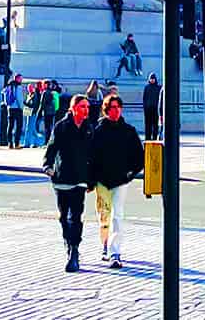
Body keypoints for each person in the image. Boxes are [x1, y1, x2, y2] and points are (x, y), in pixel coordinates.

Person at [87, 94, 143, 269]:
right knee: (104, 214)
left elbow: (139, 157)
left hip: (121, 180)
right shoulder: (98, 130)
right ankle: (105, 244)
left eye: (119, 107)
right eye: (113, 108)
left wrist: (130, 174)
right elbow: (90, 157)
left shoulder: (128, 131)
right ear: (106, 110)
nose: (116, 111)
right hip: (102, 180)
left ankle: (115, 251)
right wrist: (90, 180)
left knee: (117, 215)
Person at [43, 95, 93, 273]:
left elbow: (92, 156)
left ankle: (74, 251)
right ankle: (68, 243)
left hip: (79, 179)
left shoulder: (88, 128)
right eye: (82, 107)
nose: (86, 110)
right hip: (62, 178)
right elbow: (51, 148)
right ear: (73, 109)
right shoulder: (61, 127)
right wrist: (48, 167)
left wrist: (91, 179)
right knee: (64, 217)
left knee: (76, 217)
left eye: (87, 107)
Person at [3, 76, 25, 149]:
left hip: (10, 108)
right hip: (17, 109)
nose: (21, 80)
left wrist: (8, 105)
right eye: (21, 79)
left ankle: (10, 143)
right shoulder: (18, 87)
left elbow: (5, 98)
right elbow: (19, 98)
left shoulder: (8, 86)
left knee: (10, 126)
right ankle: (17, 143)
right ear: (17, 79)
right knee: (19, 126)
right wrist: (21, 107)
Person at [142, 75, 161, 142]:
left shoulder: (159, 88)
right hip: (148, 110)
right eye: (151, 79)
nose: (152, 80)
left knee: (155, 125)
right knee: (148, 125)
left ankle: (155, 138)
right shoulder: (147, 88)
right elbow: (144, 99)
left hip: (156, 110)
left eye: (153, 79)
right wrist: (145, 107)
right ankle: (147, 138)